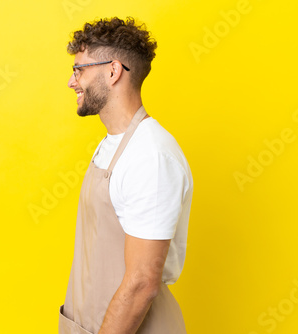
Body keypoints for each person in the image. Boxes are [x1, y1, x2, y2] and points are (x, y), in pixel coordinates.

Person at [59, 17, 193, 334]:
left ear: (113, 71)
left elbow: (142, 283)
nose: (71, 81)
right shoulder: (112, 144)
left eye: (79, 69)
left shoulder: (150, 156)